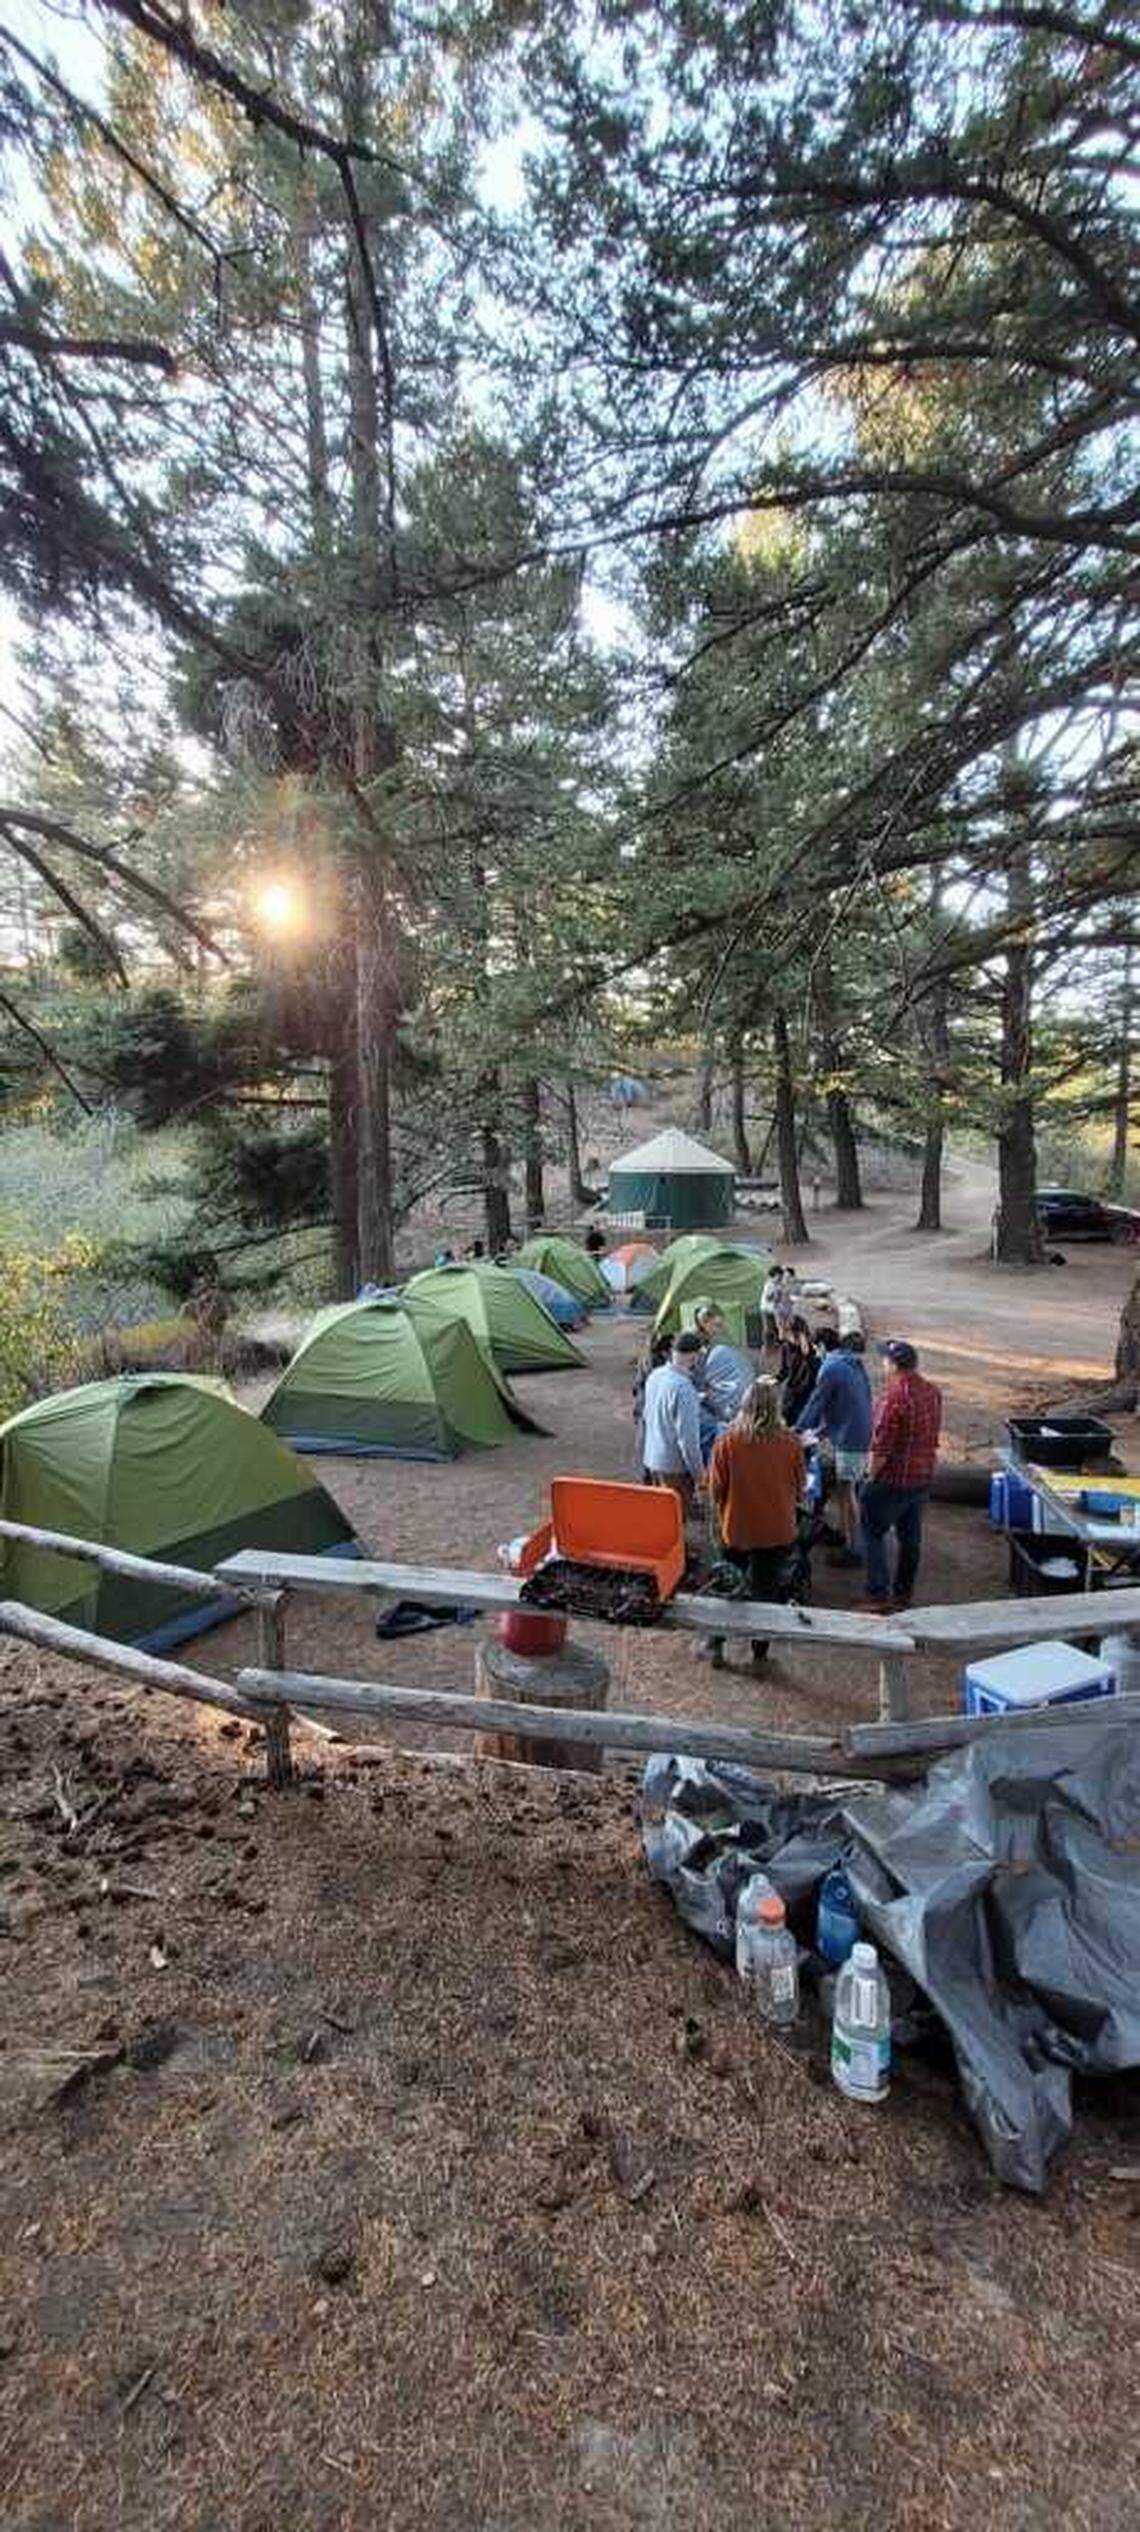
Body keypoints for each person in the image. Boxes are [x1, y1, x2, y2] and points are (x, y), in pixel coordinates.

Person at [701, 1377, 806, 1671]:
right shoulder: (791, 1443)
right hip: (777, 1530)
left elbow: (715, 1489)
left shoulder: (728, 1442)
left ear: (744, 1405)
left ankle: (715, 1646)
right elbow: (800, 1490)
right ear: (777, 1407)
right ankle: (759, 1656)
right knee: (766, 1592)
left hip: (737, 1528)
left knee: (724, 1586)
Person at [860, 1340, 943, 1613]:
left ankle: (878, 1595)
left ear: (894, 1365)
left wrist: (868, 1478)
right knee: (910, 1539)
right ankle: (903, 1594)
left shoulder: (892, 1398)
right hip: (922, 1477)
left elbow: (881, 1448)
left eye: (885, 1360)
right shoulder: (932, 1392)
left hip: (893, 1479)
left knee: (872, 1533)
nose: (882, 1364)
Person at [794, 1325, 872, 1566]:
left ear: (820, 1346)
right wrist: (823, 1431)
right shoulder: (853, 1363)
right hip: (860, 1433)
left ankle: (854, 1550)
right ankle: (844, 1534)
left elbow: (816, 1404)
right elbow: (847, 1403)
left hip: (850, 1439)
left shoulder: (829, 1367)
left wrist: (796, 1431)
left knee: (847, 1493)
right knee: (846, 1488)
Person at [641, 1331, 706, 1513]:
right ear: (694, 1356)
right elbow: (688, 1441)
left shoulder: (655, 1375)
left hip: (651, 1458)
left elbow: (648, 1416)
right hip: (673, 1467)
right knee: (675, 1520)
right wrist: (700, 1476)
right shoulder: (684, 1389)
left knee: (660, 1516)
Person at [692, 1301, 754, 1430]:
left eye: (719, 1325)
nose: (718, 1328)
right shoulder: (698, 1341)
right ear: (704, 1323)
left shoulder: (713, 1340)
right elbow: (699, 1372)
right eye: (715, 1325)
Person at [632, 1328, 671, 1476]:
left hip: (642, 1405)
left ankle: (644, 1474)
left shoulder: (645, 1359)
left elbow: (636, 1386)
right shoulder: (660, 1367)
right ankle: (648, 1474)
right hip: (649, 1406)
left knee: (644, 1438)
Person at [778, 1315, 821, 1425]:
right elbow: (784, 1371)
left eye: (786, 1331)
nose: (781, 1335)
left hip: (806, 1396)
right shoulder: (786, 1347)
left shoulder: (814, 1354)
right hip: (792, 1395)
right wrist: (772, 1380)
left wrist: (805, 1348)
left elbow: (815, 1377)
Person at [761, 1263, 787, 1348]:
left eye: (781, 1277)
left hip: (774, 1309)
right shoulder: (769, 1285)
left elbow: (779, 1299)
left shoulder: (778, 1285)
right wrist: (774, 1294)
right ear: (773, 1276)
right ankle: (767, 1344)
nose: (780, 1279)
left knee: (778, 1325)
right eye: (779, 1277)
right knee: (768, 1327)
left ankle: (778, 1341)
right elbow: (768, 1297)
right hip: (766, 1309)